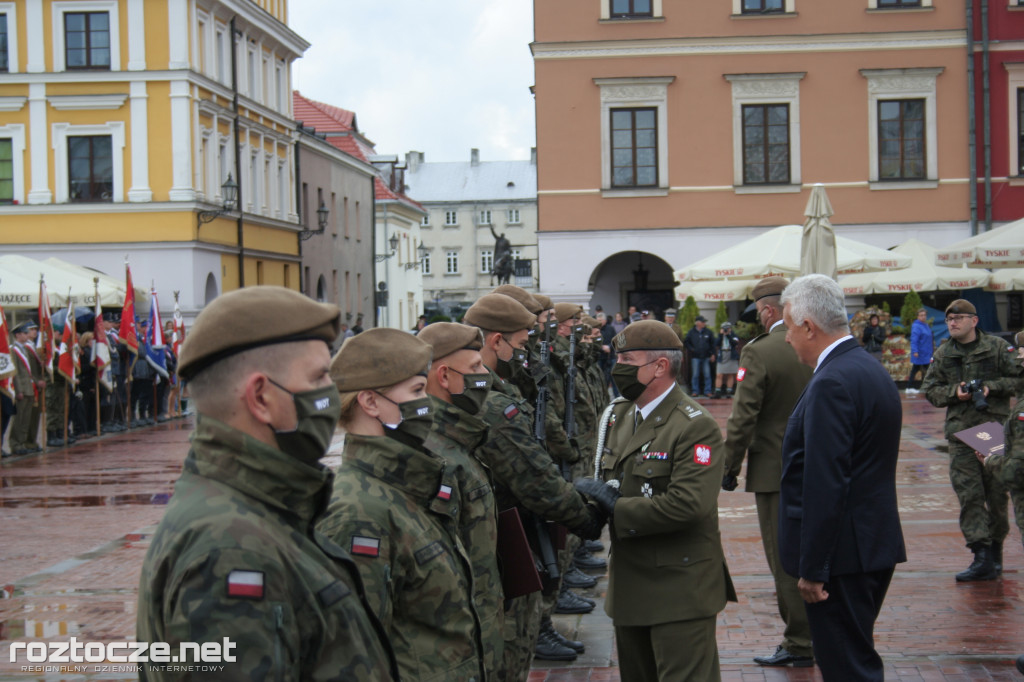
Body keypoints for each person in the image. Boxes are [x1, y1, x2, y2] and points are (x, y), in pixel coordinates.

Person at [137, 285, 398, 681]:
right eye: (319, 377)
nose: (331, 393)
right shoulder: (230, 549)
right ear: (260, 396)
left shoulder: (260, 509)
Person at [317, 328, 485, 681]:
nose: (427, 404)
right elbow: (357, 653)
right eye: (416, 391)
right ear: (371, 402)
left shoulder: (406, 485)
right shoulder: (356, 511)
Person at [576, 320, 736, 682]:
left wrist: (616, 507)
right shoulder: (618, 416)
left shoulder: (694, 425)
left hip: (679, 586)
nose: (618, 368)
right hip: (631, 583)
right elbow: (607, 483)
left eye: (628, 359)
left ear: (660, 367)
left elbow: (688, 505)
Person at [463, 293, 605, 673]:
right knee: (511, 640)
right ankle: (538, 628)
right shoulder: (491, 402)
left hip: (513, 513)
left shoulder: (501, 388)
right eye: (521, 343)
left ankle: (539, 627)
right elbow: (535, 478)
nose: (526, 351)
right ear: (497, 341)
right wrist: (587, 518)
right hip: (507, 519)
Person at [779, 274, 905, 682]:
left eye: (787, 328)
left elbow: (825, 480)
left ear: (808, 327)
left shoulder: (833, 380)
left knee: (847, 667)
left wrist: (814, 568)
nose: (786, 339)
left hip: (842, 556)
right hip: (868, 542)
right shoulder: (866, 366)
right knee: (854, 655)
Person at [722, 276, 814, 668]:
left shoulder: (760, 352)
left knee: (785, 560)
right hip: (823, 467)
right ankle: (824, 633)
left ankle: (799, 642)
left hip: (776, 472)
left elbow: (743, 418)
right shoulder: (819, 345)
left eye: (759, 313)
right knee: (818, 553)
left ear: (769, 310)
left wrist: (729, 467)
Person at [416, 321, 505, 680]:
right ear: (444, 375)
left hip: (482, 632)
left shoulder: (462, 436)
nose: (485, 375)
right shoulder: (434, 454)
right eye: (474, 369)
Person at [922, 299, 1018, 581]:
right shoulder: (943, 353)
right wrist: (956, 392)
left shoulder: (997, 348)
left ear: (974, 321)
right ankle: (981, 556)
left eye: (959, 318)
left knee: (997, 496)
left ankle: (996, 550)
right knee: (969, 495)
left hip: (993, 432)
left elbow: (1018, 380)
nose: (952, 322)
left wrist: (991, 387)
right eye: (950, 318)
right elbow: (931, 390)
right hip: (961, 434)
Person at [9, 321, 41, 455]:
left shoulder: (25, 349)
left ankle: (23, 443)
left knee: (26, 419)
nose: (27, 335)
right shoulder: (13, 350)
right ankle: (16, 444)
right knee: (19, 418)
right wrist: (18, 390)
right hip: (22, 388)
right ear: (18, 335)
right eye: (25, 333)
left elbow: (30, 370)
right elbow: (15, 373)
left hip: (29, 387)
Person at [684, 315, 716, 398]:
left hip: (706, 356)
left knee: (707, 374)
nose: (704, 323)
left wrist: (713, 354)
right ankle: (695, 391)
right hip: (695, 356)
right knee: (695, 374)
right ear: (697, 323)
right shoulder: (691, 332)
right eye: (702, 322)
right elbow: (686, 342)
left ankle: (707, 391)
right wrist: (692, 349)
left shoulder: (708, 332)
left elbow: (713, 344)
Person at [907, 308, 933, 394]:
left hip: (926, 352)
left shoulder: (926, 325)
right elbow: (914, 339)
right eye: (921, 315)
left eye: (924, 315)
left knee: (925, 369)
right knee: (918, 369)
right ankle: (909, 387)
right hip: (920, 352)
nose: (923, 317)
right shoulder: (916, 326)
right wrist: (915, 351)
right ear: (918, 316)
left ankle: (926, 386)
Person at [713, 322, 740, 399]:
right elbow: (716, 344)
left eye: (727, 328)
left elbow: (734, 343)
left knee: (730, 374)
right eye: (724, 328)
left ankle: (729, 391)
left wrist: (728, 335)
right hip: (722, 355)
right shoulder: (720, 335)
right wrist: (721, 335)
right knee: (719, 374)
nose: (726, 329)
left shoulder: (733, 335)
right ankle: (717, 391)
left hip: (731, 354)